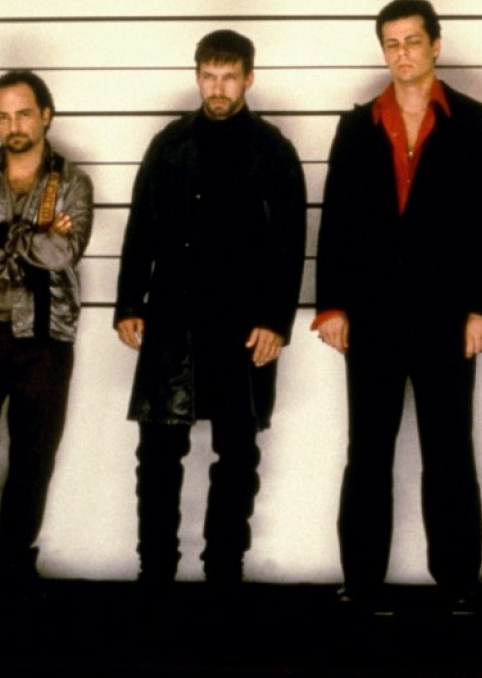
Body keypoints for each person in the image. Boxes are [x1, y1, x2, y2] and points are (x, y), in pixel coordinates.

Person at [314, 0, 482, 608]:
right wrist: (331, 306)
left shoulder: (478, 123)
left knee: (449, 450)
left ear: (436, 45)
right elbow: (335, 221)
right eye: (392, 44)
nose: (402, 54)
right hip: (370, 317)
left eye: (413, 41)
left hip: (448, 318)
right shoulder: (357, 127)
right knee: (367, 453)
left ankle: (459, 584)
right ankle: (361, 583)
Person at [115, 29, 307, 590]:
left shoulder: (273, 149)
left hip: (244, 321)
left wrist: (275, 322)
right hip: (172, 314)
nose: (218, 88)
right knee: (157, 452)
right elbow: (141, 226)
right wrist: (128, 302)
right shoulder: (169, 143)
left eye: (229, 77)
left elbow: (290, 242)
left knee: (238, 453)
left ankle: (224, 573)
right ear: (197, 76)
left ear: (249, 79)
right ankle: (155, 572)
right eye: (209, 76)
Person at [0, 70, 94, 593]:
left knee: (34, 455)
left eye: (24, 113)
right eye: (3, 116)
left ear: (46, 115)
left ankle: (14, 566)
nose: (14, 126)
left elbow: (63, 253)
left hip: (46, 337)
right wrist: (30, 241)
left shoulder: (72, 182)